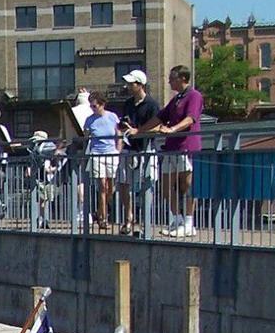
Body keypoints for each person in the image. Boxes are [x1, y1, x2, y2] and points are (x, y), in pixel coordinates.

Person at [154, 65, 203, 237]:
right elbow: (159, 117)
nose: (169, 82)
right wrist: (139, 130)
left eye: (172, 78)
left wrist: (173, 129)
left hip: (186, 146)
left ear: (183, 78)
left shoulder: (194, 95)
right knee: (166, 186)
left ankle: (189, 223)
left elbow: (190, 118)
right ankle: (177, 220)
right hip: (171, 148)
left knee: (186, 185)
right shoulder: (176, 99)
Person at [117, 69, 160, 236]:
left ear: (140, 84)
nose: (128, 86)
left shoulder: (152, 104)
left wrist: (139, 131)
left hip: (145, 148)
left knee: (146, 184)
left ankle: (145, 222)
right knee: (123, 183)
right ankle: (129, 218)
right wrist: (124, 128)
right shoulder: (128, 103)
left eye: (131, 83)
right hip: (129, 148)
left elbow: (157, 126)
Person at [83, 93, 121, 232]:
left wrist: (118, 150)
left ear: (102, 104)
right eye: (91, 106)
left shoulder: (112, 116)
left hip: (111, 153)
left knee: (111, 187)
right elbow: (86, 138)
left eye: (94, 106)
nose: (92, 108)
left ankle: (100, 211)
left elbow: (118, 134)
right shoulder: (89, 120)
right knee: (102, 186)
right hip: (97, 154)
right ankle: (103, 218)